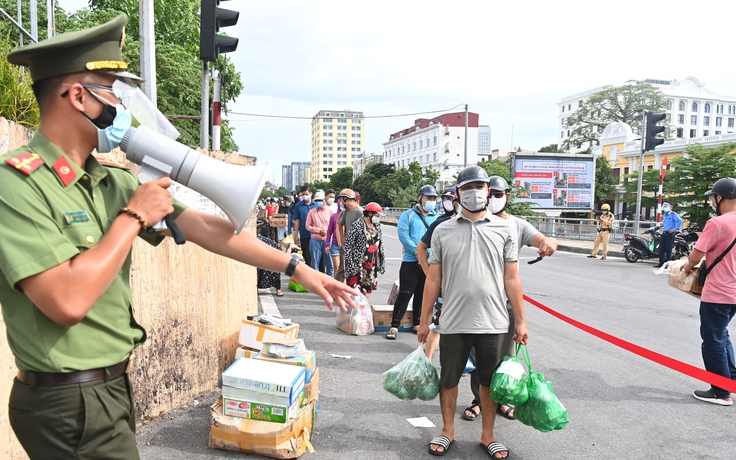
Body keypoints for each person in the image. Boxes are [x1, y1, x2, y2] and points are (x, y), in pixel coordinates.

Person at [0, 16, 357, 460]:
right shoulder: (16, 184)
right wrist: (133, 218)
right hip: (68, 401)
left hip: (108, 388)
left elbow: (209, 230)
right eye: (113, 91)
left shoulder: (110, 182)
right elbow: (67, 302)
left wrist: (297, 266)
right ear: (78, 97)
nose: (123, 107)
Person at [417, 166, 528, 458]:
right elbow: (433, 279)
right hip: (453, 320)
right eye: (468, 187)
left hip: (494, 321)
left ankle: (488, 435)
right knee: (449, 378)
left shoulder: (505, 229)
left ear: (488, 191)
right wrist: (425, 321)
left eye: (480, 186)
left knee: (488, 381)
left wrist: (522, 321)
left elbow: (512, 278)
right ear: (457, 194)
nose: (475, 192)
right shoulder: (443, 230)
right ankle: (447, 430)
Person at [462, 176, 558, 423]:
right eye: (489, 193)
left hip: (505, 303)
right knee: (481, 354)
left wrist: (550, 242)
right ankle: (479, 401)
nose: (492, 198)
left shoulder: (516, 225)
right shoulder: (474, 223)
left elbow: (541, 239)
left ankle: (502, 398)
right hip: (479, 304)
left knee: (505, 353)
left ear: (507, 195)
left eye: (498, 194)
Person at [683, 177, 736, 406]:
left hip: (719, 292)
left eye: (714, 197)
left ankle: (720, 391)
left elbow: (696, 255)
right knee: (722, 334)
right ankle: (732, 379)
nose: (713, 202)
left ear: (720, 198)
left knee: (713, 339)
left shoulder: (718, 223)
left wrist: (686, 267)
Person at [386, 185, 438, 340]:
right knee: (405, 294)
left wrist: (428, 254)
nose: (431, 201)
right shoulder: (408, 215)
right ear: (420, 197)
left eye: (434, 198)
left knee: (422, 295)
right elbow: (404, 236)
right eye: (429, 198)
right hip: (411, 261)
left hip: (429, 263)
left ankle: (417, 322)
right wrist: (418, 251)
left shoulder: (436, 218)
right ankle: (394, 325)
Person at [417, 187, 458, 358]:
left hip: (466, 290)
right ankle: (425, 363)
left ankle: (460, 362)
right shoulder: (441, 224)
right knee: (437, 325)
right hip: (445, 285)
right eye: (449, 199)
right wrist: (428, 271)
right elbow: (421, 247)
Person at [344, 202, 386, 298]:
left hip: (371, 264)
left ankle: (363, 310)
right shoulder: (357, 225)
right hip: (357, 264)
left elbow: (380, 245)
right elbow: (348, 246)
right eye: (377, 215)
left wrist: (381, 262)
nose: (378, 217)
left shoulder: (377, 226)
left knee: (368, 291)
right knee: (353, 291)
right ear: (370, 214)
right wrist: (350, 263)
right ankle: (352, 311)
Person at [336, 188, 363, 282]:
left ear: (346, 199)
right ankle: (337, 289)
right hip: (346, 245)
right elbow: (340, 224)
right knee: (342, 269)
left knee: (353, 270)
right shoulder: (344, 212)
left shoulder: (360, 212)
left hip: (357, 246)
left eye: (342, 199)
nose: (341, 202)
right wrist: (342, 238)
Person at [306, 190, 334, 276]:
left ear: (324, 200)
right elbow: (307, 226)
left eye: (320, 200)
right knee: (314, 262)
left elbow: (334, 225)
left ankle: (330, 281)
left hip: (327, 240)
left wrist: (327, 232)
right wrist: (318, 230)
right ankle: (316, 282)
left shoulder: (330, 211)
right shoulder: (311, 212)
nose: (318, 202)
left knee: (329, 262)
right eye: (316, 200)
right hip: (315, 239)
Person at [292, 185, 316, 267]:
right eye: (303, 195)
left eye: (306, 194)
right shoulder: (299, 206)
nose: (305, 196)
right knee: (307, 257)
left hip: (316, 235)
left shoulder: (316, 204)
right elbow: (297, 220)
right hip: (304, 234)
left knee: (316, 257)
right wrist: (296, 235)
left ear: (311, 193)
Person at [655, 201, 683, 268]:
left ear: (670, 207)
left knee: (668, 250)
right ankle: (661, 263)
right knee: (661, 249)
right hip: (664, 233)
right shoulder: (665, 215)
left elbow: (680, 221)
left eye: (666, 207)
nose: (665, 208)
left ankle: (668, 264)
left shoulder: (673, 214)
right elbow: (665, 224)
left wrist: (674, 229)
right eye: (664, 207)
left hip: (670, 234)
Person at [325, 199, 342, 279]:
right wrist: (327, 244)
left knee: (344, 268)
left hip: (346, 245)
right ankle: (336, 284)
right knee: (336, 266)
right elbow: (329, 232)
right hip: (335, 244)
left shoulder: (350, 216)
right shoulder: (334, 216)